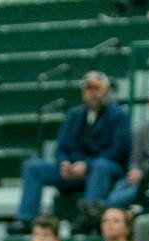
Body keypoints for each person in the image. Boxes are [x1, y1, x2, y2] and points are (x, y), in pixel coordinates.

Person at [15, 71, 131, 231]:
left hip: (104, 170)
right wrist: (64, 162)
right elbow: (61, 147)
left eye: (96, 89)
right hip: (72, 169)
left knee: (101, 166)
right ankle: (26, 219)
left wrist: (87, 165)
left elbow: (118, 151)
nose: (92, 93)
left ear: (105, 91)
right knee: (33, 167)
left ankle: (89, 219)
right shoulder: (74, 115)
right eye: (88, 89)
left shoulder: (118, 116)